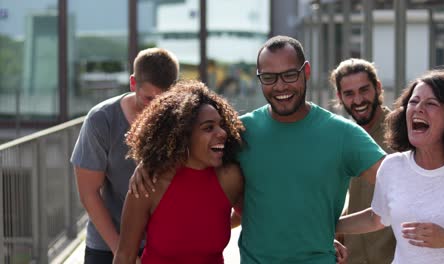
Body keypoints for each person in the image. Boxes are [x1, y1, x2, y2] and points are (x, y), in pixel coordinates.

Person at [128, 35, 385, 263]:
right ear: (259, 77)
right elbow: (190, 148)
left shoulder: (343, 134)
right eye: (269, 78)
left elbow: (401, 187)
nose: (280, 86)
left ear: (306, 72)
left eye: (289, 75)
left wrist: (330, 227)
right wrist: (150, 162)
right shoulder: (241, 131)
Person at [336, 70, 444, 263]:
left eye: (431, 103)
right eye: (413, 102)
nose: (418, 109)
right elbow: (376, 217)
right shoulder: (393, 166)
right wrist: (326, 226)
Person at [113, 80, 245, 264]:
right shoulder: (149, 184)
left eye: (221, 125)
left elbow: (249, 215)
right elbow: (124, 257)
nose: (222, 133)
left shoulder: (230, 178)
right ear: (183, 136)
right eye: (208, 127)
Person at [70, 47, 179, 263]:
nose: (155, 106)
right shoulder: (101, 120)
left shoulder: (181, 119)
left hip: (164, 244)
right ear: (132, 83)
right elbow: (89, 194)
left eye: (163, 99)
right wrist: (123, 252)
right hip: (108, 243)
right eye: (149, 98)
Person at [330, 58, 396, 264]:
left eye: (364, 90)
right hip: (353, 258)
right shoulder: (343, 138)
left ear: (378, 88)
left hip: (394, 257)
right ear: (340, 97)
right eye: (349, 94)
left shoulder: (403, 134)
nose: (358, 100)